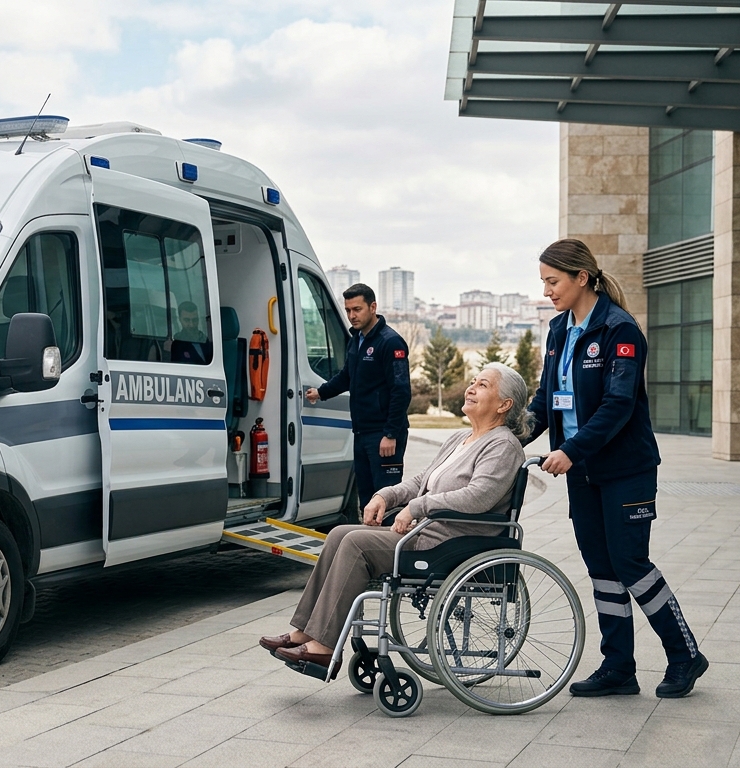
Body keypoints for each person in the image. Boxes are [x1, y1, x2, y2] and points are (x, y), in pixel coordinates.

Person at [527, 238, 707, 699]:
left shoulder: (619, 330)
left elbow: (618, 405)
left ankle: (684, 655)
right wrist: (506, 438)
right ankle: (618, 667)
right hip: (583, 471)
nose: (547, 291)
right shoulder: (558, 330)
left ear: (581, 277)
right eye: (543, 282)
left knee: (630, 563)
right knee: (601, 567)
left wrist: (571, 450)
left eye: (553, 281)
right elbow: (546, 400)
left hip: (625, 469)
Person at [264, 364, 529, 665]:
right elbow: (422, 481)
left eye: (482, 385)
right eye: (473, 381)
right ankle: (304, 630)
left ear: (504, 405)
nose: (471, 388)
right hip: (429, 533)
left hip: (452, 542)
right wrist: (385, 496)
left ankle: (323, 647)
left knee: (355, 544)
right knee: (338, 534)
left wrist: (417, 507)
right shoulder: (460, 439)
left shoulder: (503, 445)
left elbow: (478, 497)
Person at [305, 283, 411, 503]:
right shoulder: (357, 340)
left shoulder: (390, 342)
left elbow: (401, 391)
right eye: (348, 310)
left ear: (373, 307)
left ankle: (389, 528)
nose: (352, 316)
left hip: (383, 434)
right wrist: (321, 392)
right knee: (366, 497)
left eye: (357, 309)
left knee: (385, 499)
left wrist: (391, 434)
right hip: (362, 432)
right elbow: (347, 376)